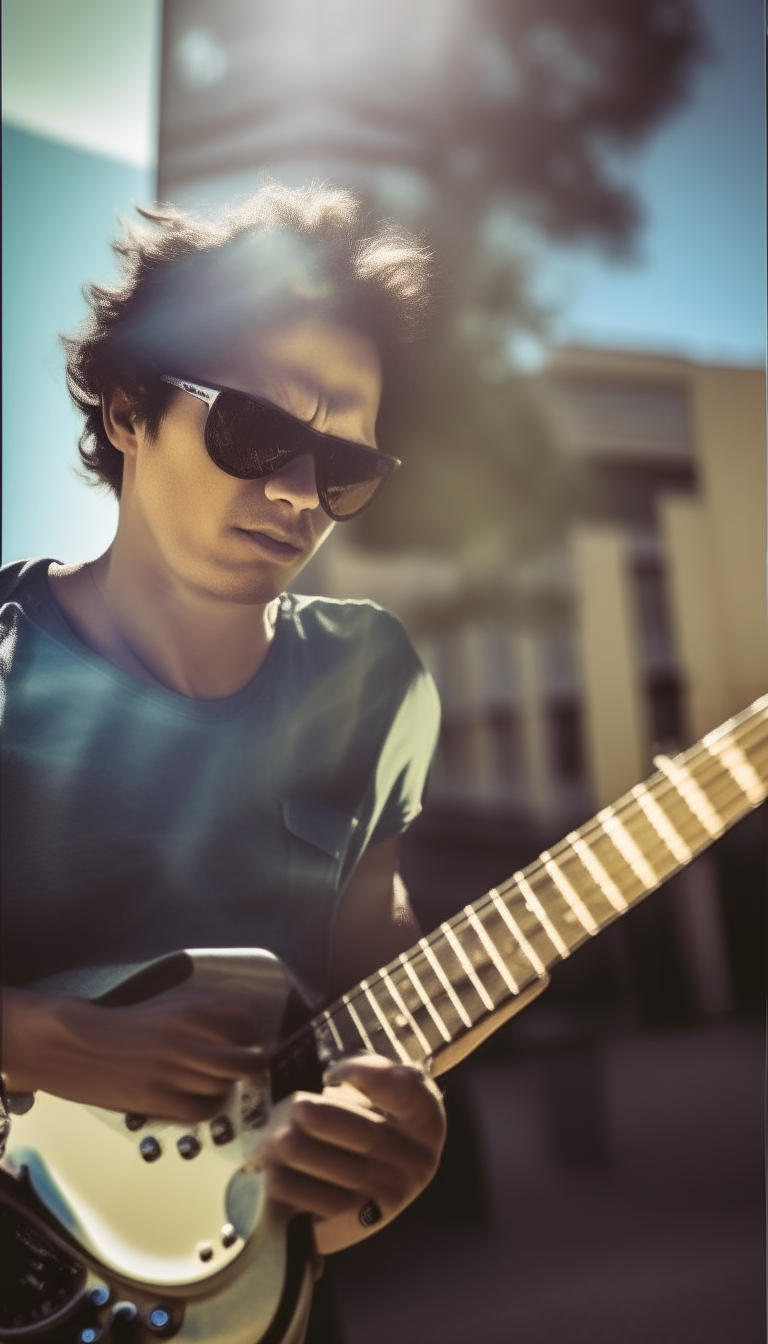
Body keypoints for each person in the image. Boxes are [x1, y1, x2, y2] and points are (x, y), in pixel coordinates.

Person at [0, 184, 448, 1294]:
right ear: (126, 408)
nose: (300, 495)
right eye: (258, 432)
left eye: (345, 468)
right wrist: (49, 1039)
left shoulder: (374, 682)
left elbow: (368, 1030)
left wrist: (397, 1135)